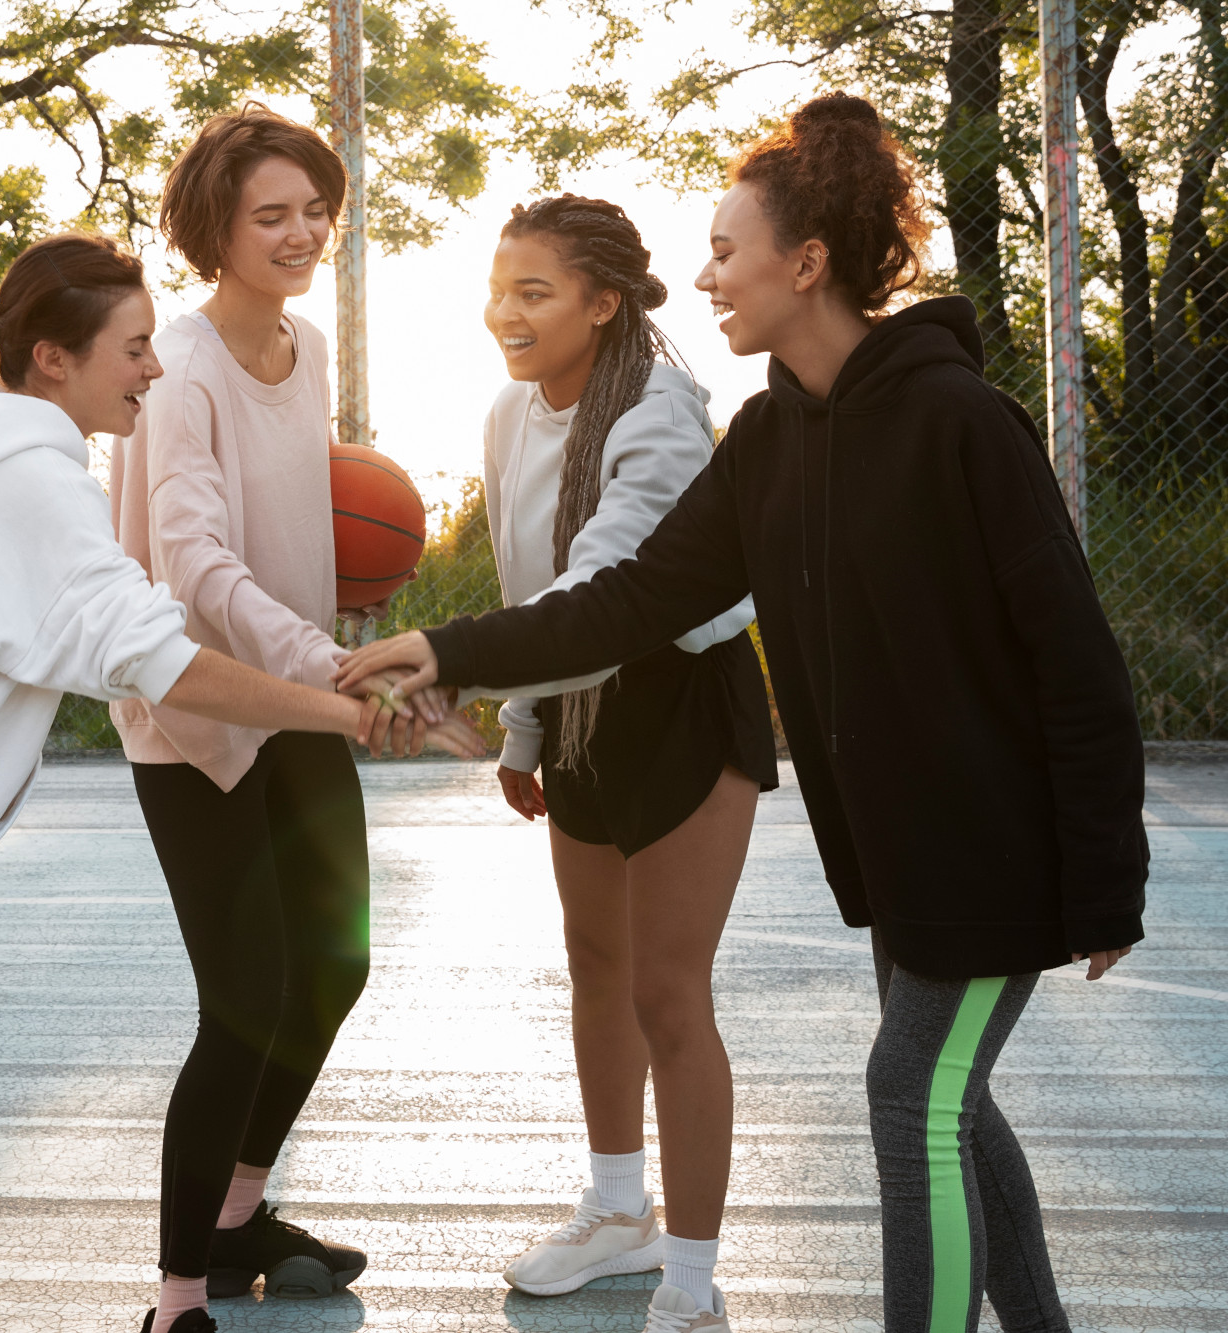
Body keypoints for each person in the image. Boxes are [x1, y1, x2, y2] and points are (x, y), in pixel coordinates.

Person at [340, 93, 1147, 1333]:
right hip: (902, 854)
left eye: (726, 251)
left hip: (1001, 850)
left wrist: (1102, 874)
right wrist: (445, 649)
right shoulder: (770, 438)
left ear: (804, 263)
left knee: (906, 1102)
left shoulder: (958, 422)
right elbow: (629, 599)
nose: (704, 277)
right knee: (949, 1108)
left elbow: (1076, 663)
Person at [0, 231, 476, 1333]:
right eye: (132, 348)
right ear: (52, 360)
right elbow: (166, 662)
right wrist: (352, 713)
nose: (153, 369)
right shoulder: (26, 481)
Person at [107, 105, 421, 1333]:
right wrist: (332, 670)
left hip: (296, 694)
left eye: (313, 212)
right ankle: (180, 1294)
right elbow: (193, 569)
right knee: (244, 990)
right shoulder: (180, 368)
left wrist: (336, 639)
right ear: (215, 230)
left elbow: (301, 532)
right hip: (196, 712)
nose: (301, 234)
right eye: (271, 215)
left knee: (330, 963)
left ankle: (239, 1213)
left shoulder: (302, 349)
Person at [463, 194, 778, 1324]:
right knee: (594, 961)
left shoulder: (657, 408)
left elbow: (602, 589)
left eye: (533, 291)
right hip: (578, 703)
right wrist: (525, 728)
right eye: (500, 286)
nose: (505, 310)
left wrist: (468, 678)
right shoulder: (508, 414)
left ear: (601, 304)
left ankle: (689, 1278)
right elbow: (522, 582)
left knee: (665, 989)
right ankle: (616, 1215)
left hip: (678, 698)